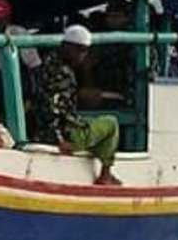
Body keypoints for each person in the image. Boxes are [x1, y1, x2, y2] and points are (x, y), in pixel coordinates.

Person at [33, 24, 122, 186]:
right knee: (111, 124)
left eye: (85, 51)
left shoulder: (46, 63)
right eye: (80, 50)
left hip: (42, 129)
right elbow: (52, 106)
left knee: (91, 126)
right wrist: (59, 139)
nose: (83, 55)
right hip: (66, 134)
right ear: (67, 47)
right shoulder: (63, 74)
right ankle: (106, 175)